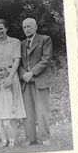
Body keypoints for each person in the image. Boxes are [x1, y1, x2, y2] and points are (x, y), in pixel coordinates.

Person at [0, 19, 26, 147]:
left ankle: (12, 139)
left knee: (11, 111)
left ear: (6, 28)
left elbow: (17, 60)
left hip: (11, 76)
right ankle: (4, 140)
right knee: (0, 109)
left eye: (1, 28)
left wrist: (10, 77)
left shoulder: (14, 42)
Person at [18, 18, 55, 146]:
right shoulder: (21, 44)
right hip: (25, 81)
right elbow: (18, 63)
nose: (27, 29)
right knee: (27, 112)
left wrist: (31, 72)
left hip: (40, 80)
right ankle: (30, 139)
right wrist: (24, 74)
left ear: (35, 27)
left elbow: (46, 60)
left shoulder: (45, 39)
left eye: (29, 26)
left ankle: (44, 138)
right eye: (25, 27)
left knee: (42, 110)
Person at [0, 64, 24, 148]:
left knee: (6, 124)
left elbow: (15, 93)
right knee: (0, 123)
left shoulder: (11, 81)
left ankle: (12, 140)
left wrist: (14, 105)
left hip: (8, 104)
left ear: (5, 70)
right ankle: (4, 140)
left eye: (1, 70)